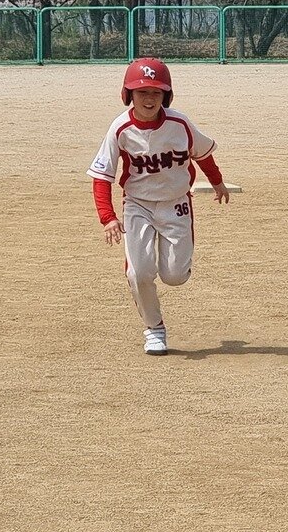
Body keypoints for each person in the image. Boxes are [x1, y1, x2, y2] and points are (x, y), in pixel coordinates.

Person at [87, 58, 229, 356]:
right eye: (141, 92)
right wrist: (108, 218)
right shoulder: (120, 128)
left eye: (156, 92)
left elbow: (202, 154)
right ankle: (154, 328)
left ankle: (175, 270)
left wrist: (217, 181)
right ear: (128, 95)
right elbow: (102, 176)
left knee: (174, 275)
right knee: (138, 272)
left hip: (176, 204)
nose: (149, 99)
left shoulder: (179, 124)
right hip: (137, 204)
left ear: (167, 95)